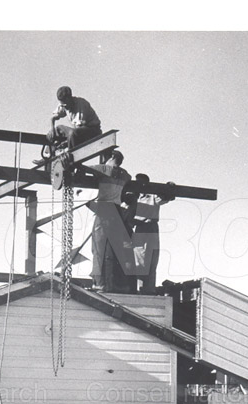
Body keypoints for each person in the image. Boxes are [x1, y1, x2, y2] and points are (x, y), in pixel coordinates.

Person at [79, 150, 134, 293]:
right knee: (112, 250)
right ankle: (111, 285)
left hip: (104, 210)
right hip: (117, 212)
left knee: (99, 248)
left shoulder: (103, 169)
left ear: (112, 157)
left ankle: (100, 284)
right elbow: (129, 179)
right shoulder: (125, 175)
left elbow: (82, 168)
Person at [125, 173, 172, 294]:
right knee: (139, 259)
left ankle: (149, 288)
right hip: (140, 228)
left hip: (151, 227)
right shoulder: (134, 197)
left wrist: (170, 188)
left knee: (152, 258)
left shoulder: (152, 196)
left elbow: (165, 198)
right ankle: (140, 288)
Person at [47, 86, 103, 151]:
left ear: (69, 98)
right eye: (62, 106)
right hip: (77, 132)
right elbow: (53, 118)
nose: (64, 108)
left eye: (65, 105)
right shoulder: (64, 105)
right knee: (58, 129)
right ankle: (50, 153)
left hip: (92, 131)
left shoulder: (81, 104)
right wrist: (52, 130)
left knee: (72, 133)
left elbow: (78, 128)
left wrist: (67, 142)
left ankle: (71, 154)